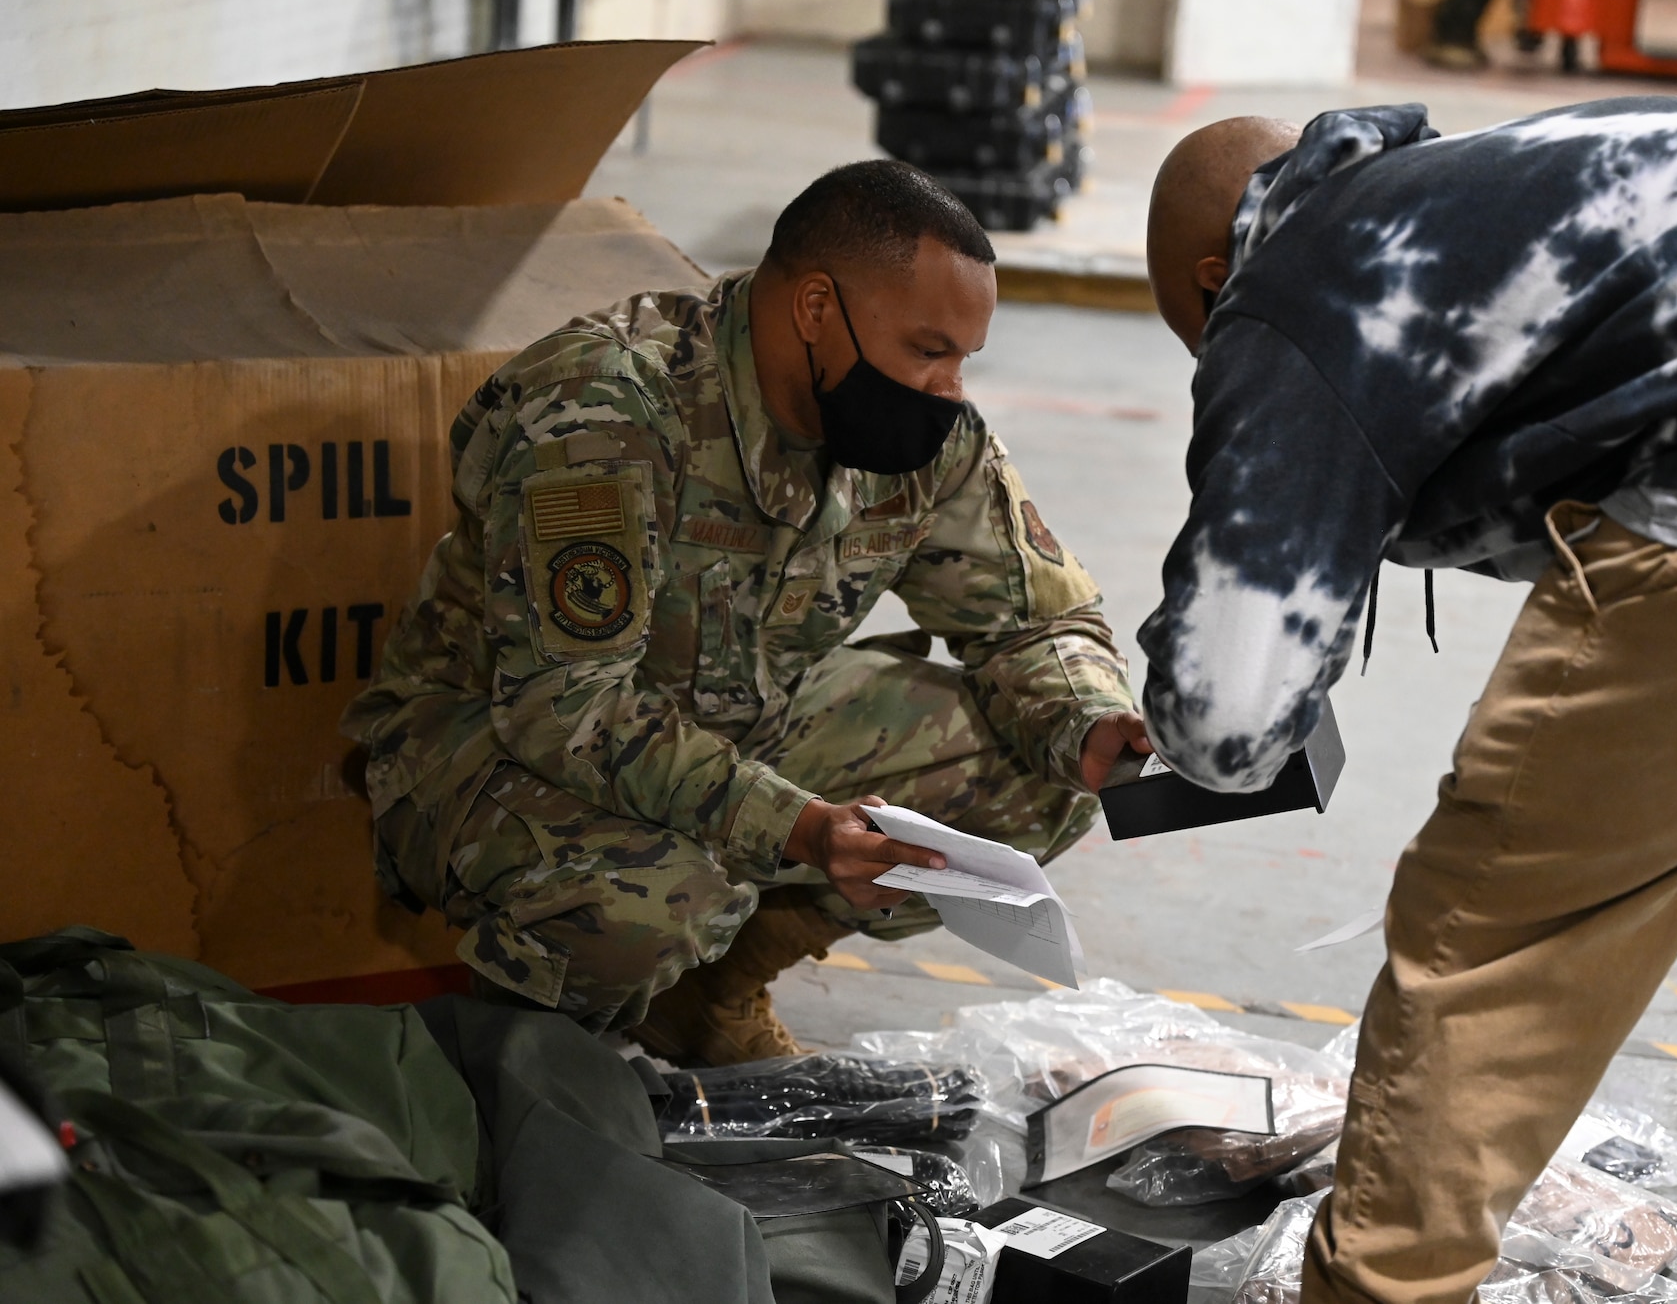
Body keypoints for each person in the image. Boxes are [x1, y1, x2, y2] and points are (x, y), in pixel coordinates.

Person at [1142, 99, 1677, 1303]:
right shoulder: (1492, 183)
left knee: (1492, 942)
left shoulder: (1296, 278)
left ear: (1206, 274)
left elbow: (1226, 725)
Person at [344, 160, 1149, 1065]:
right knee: (656, 896)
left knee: (1038, 775)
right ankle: (523, 1069)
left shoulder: (921, 438)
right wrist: (799, 825)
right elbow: (564, 707)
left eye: (965, 357)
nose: (951, 387)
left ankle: (707, 999)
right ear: (816, 309)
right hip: (487, 742)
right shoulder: (605, 406)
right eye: (929, 349)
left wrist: (1088, 718)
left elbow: (1031, 618)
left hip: (737, 713)